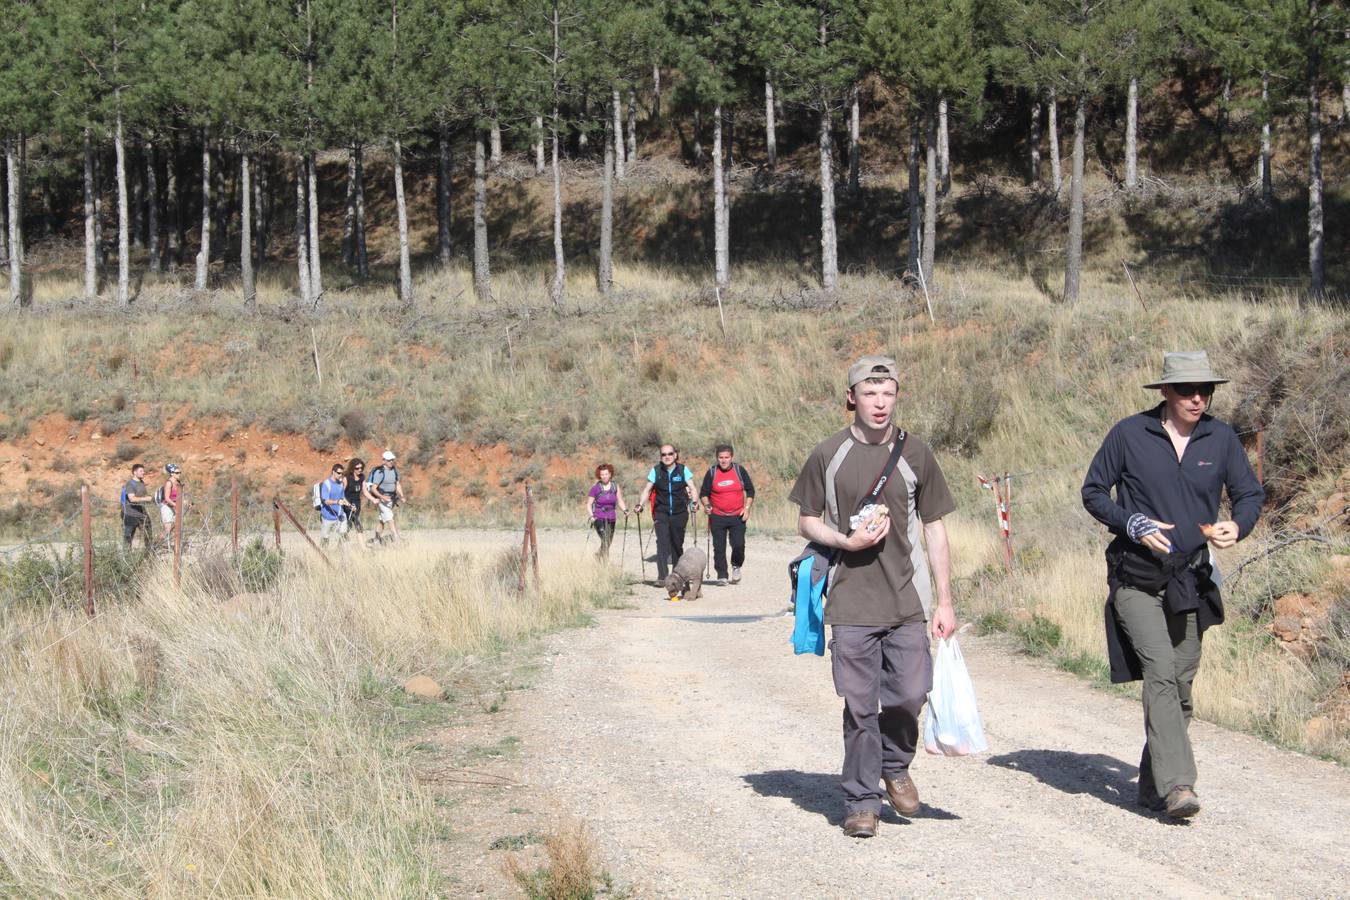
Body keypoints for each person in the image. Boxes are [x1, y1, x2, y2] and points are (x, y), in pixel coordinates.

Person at [1082, 350, 1263, 820]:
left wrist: (1237, 526)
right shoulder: (1128, 433)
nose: (1197, 398)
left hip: (1191, 578)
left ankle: (1150, 783)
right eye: (1186, 390)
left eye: (1206, 390)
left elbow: (1249, 494)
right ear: (1165, 391)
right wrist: (1132, 522)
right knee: (1161, 670)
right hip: (1135, 578)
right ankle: (1179, 784)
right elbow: (1094, 491)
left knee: (1181, 682)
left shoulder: (1220, 438)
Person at [788, 355, 957, 839]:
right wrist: (845, 542)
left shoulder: (917, 453)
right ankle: (861, 801)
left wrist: (944, 600)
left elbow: (936, 527)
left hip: (906, 601)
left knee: (910, 694)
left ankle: (895, 763)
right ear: (852, 398)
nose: (880, 403)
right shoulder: (829, 453)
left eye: (888, 394)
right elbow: (806, 518)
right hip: (850, 602)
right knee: (860, 707)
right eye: (870, 393)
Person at [638, 444, 696, 583]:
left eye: (670, 454)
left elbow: (693, 488)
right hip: (661, 512)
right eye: (664, 454)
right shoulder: (656, 471)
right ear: (661, 457)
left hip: (679, 513)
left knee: (677, 544)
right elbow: (647, 490)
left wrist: (694, 502)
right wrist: (640, 505)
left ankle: (676, 576)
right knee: (662, 543)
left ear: (675, 455)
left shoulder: (683, 470)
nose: (667, 457)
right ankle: (662, 577)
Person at [699, 444, 756, 584]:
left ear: (732, 457)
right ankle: (722, 575)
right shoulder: (712, 472)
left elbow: (750, 490)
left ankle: (736, 566)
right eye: (721, 458)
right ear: (717, 458)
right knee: (719, 547)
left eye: (727, 457)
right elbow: (704, 493)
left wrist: (747, 508)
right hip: (717, 515)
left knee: (738, 544)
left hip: (737, 515)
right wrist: (707, 506)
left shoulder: (739, 470)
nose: (724, 460)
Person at [586, 463, 629, 561]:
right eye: (602, 475)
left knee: (608, 542)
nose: (604, 476)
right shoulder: (595, 488)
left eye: (606, 474)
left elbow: (620, 500)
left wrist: (625, 510)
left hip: (611, 517)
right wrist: (592, 516)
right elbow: (589, 504)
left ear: (610, 474)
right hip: (598, 517)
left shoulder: (614, 486)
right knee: (605, 540)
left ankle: (598, 555)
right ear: (599, 476)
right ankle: (605, 566)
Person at [364, 450, 404, 544]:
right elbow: (374, 489)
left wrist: (402, 496)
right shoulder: (379, 472)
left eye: (392, 460)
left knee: (382, 520)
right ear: (384, 461)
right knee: (390, 518)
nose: (391, 462)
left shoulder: (395, 471)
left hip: (391, 499)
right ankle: (396, 539)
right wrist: (382, 497)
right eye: (389, 460)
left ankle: (376, 540)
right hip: (381, 500)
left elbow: (398, 484)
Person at [121, 463, 154, 550]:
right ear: (135, 472)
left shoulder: (142, 482)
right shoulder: (130, 484)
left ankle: (149, 552)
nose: (143, 472)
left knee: (148, 532)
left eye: (143, 471)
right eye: (141, 471)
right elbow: (132, 499)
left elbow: (142, 497)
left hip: (142, 513)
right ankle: (126, 556)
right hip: (130, 514)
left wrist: (151, 499)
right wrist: (146, 499)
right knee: (128, 536)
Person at [319, 463, 351, 545]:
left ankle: (344, 556)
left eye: (342, 473)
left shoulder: (341, 484)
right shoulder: (326, 484)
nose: (341, 475)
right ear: (333, 472)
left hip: (340, 515)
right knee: (325, 538)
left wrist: (349, 505)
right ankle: (323, 555)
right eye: (339, 473)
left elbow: (342, 497)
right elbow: (325, 500)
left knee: (344, 535)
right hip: (328, 516)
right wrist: (336, 502)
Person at [158, 463, 182, 550]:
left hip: (175, 506)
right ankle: (157, 544)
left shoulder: (178, 483)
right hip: (166, 506)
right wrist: (176, 505)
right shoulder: (169, 483)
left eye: (180, 472)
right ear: (171, 473)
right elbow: (167, 498)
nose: (179, 474)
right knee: (167, 529)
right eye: (177, 473)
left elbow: (180, 496)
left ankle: (176, 547)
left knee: (177, 526)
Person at [344, 458, 366, 534]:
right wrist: (349, 505)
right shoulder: (347, 478)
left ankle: (362, 545)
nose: (360, 470)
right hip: (347, 504)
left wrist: (373, 499)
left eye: (361, 468)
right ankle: (340, 544)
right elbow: (341, 494)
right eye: (357, 468)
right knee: (351, 525)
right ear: (352, 468)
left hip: (357, 504)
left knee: (354, 525)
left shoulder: (362, 477)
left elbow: (365, 491)